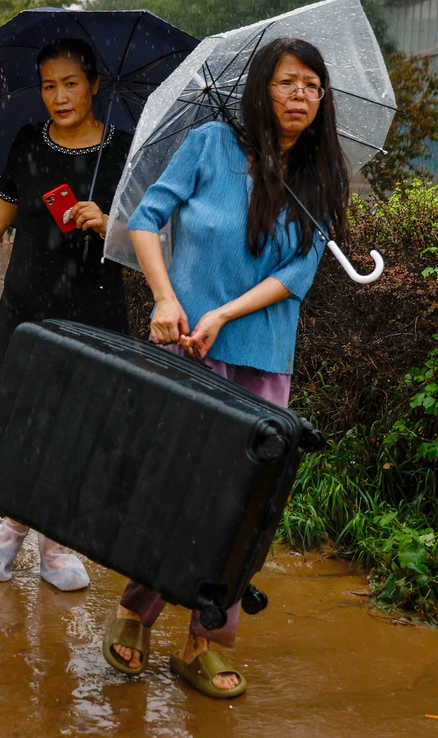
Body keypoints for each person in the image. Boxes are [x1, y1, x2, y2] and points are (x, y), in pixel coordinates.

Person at [102, 37, 349, 698]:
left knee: (238, 509)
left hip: (262, 360)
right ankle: (135, 613)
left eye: (314, 87)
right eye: (289, 83)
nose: (302, 97)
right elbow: (147, 221)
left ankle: (206, 640)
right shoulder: (210, 144)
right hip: (183, 351)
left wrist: (225, 315)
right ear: (260, 89)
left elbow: (296, 274)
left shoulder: (317, 174)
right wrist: (166, 298)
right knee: (169, 487)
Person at [0, 37, 131, 592]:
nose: (60, 96)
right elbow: (0, 213)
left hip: (95, 307)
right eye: (49, 86)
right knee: (24, 413)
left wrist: (110, 222)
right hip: (29, 303)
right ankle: (13, 520)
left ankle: (55, 542)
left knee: (78, 423)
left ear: (95, 86)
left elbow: (150, 234)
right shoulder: (28, 142)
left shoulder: (124, 148)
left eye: (71, 84)